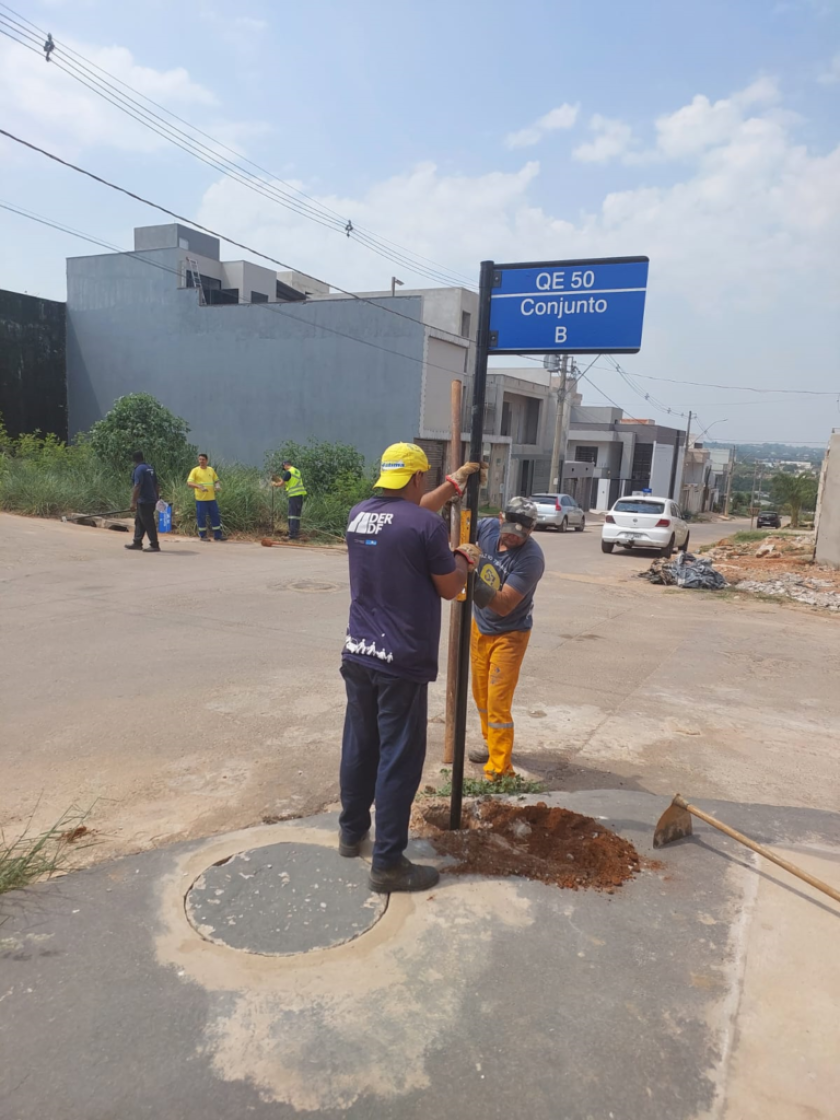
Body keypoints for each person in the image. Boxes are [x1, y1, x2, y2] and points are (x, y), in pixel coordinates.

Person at [338, 443, 484, 893]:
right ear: (416, 479)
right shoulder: (425, 526)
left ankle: (350, 832)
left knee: (360, 745)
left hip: (358, 652)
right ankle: (387, 865)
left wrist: (452, 486)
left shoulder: (360, 514)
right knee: (398, 759)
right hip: (401, 661)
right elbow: (448, 588)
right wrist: (464, 558)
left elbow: (404, 517)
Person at [467, 497, 545, 780]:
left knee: (498, 701)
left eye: (522, 532)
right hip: (480, 627)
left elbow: (502, 604)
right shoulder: (486, 529)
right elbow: (458, 530)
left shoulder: (531, 559)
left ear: (532, 529)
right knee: (481, 695)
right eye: (510, 528)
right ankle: (491, 744)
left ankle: (500, 771)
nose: (513, 536)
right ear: (500, 518)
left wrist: (468, 577)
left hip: (510, 634)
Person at [125, 451, 161, 552]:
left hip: (144, 500)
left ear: (134, 460)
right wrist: (156, 498)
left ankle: (154, 545)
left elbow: (137, 486)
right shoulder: (149, 468)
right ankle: (137, 542)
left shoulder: (139, 470)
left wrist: (133, 502)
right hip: (150, 499)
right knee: (139, 521)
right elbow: (156, 484)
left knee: (148, 522)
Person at [187, 453, 224, 542]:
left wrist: (218, 486)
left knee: (215, 516)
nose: (201, 461)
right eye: (200, 459)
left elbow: (216, 480)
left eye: (203, 459)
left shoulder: (211, 470)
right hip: (201, 499)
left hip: (211, 498)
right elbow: (189, 483)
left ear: (207, 460)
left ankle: (217, 535)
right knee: (201, 517)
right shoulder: (195, 470)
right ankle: (203, 535)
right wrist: (199, 486)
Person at [271, 459, 307, 540]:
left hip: (294, 496)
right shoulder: (297, 471)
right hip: (300, 495)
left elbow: (281, 484)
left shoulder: (289, 472)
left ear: (286, 465)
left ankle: (292, 535)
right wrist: (281, 480)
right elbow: (289, 482)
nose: (284, 469)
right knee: (296, 516)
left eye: (284, 467)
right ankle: (295, 534)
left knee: (292, 515)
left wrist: (274, 484)